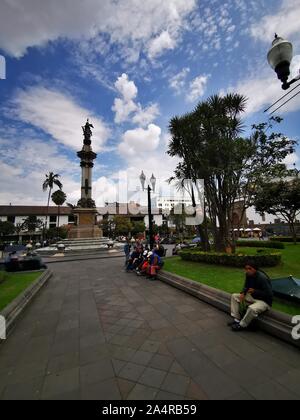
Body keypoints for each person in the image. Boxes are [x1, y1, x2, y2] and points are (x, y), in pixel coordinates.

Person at [229, 262, 273, 332]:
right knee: (234, 296)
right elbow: (246, 286)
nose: (247, 270)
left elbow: (269, 294)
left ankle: (242, 325)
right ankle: (237, 319)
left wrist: (255, 291)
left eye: (250, 268)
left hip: (264, 301)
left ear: (255, 269)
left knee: (252, 308)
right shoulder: (248, 275)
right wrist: (243, 293)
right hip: (253, 297)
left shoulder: (262, 278)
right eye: (246, 269)